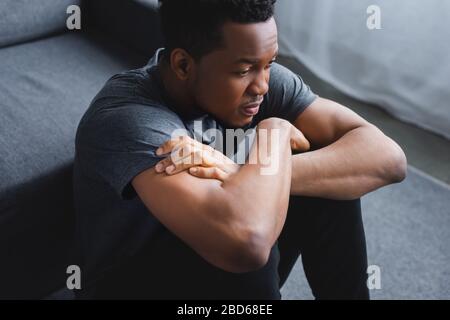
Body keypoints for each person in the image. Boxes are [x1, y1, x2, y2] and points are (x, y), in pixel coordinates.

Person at [73, 0, 407, 299]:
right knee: (245, 222)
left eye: (270, 63)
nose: (262, 85)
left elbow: (388, 158)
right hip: (135, 286)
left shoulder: (263, 81)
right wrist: (273, 133)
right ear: (183, 66)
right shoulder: (129, 119)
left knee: (327, 178)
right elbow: (245, 244)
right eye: (244, 70)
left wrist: (242, 172)